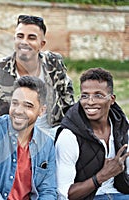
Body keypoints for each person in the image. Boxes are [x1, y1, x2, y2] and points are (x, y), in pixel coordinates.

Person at [0, 14, 74, 131]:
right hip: (11, 138)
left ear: (42, 44)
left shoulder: (54, 63)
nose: (24, 42)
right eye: (20, 36)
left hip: (51, 135)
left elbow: (68, 101)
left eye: (31, 38)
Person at [0, 76, 57, 199]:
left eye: (28, 106)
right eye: (15, 103)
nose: (19, 111)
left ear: (41, 110)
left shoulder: (47, 143)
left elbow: (48, 191)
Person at [55, 67, 129, 199]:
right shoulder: (69, 137)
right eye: (84, 96)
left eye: (98, 95)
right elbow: (65, 194)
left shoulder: (123, 127)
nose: (90, 102)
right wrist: (102, 176)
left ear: (112, 99)